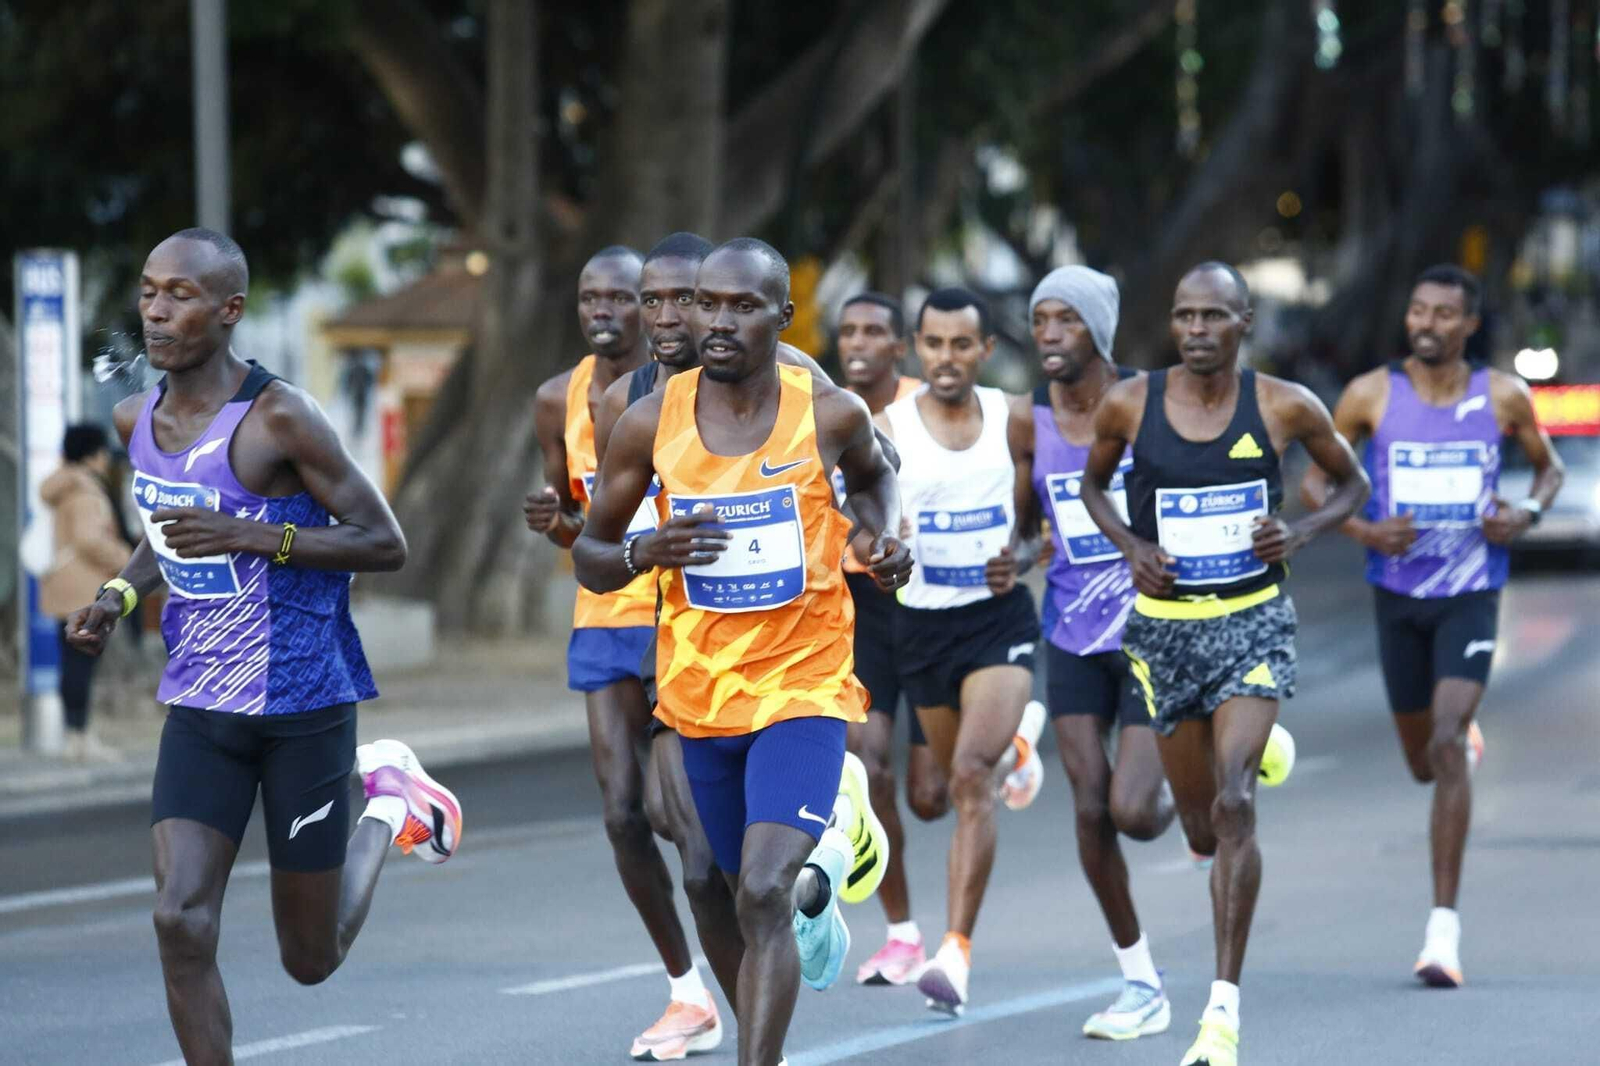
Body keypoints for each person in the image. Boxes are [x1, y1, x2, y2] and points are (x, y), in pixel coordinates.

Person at [63, 229, 461, 1065]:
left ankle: (391, 805)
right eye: (148, 291)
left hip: (303, 705)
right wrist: (119, 594)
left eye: (181, 294)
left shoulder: (281, 417)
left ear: (230, 310)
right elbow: (168, 535)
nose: (158, 310)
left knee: (309, 961)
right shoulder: (138, 418)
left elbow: (383, 542)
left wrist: (252, 534)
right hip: (202, 702)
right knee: (179, 918)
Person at [574, 238, 912, 1066]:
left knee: (761, 890)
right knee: (724, 890)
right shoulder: (648, 419)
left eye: (742, 306)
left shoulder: (825, 410)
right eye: (706, 305)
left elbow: (874, 476)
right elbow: (592, 551)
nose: (717, 322)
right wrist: (643, 556)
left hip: (805, 681)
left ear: (781, 318)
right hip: (698, 694)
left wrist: (885, 534)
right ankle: (829, 861)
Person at [1079, 262, 1368, 1066]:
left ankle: (1221, 1015)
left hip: (1253, 620)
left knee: (1236, 804)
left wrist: (1301, 534)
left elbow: (1352, 482)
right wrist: (1132, 546)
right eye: (1184, 317)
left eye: (1214, 316)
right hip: (1166, 631)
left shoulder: (1283, 405)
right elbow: (1092, 486)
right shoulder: (1130, 403)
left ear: (1245, 322)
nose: (1197, 330)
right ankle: (1255, 746)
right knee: (1201, 822)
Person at [1301, 264, 1563, 989]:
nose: (1427, 323)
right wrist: (1362, 528)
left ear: (1469, 324)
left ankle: (1441, 931)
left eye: (1444, 314)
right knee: (1422, 759)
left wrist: (1526, 515)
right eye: (1418, 310)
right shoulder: (1369, 394)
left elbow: (1548, 471)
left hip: (1473, 590)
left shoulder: (1503, 395)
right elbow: (1315, 481)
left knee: (1445, 744)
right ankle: (1453, 737)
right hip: (1398, 594)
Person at [524, 245, 722, 1059]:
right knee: (622, 812)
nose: (604, 311)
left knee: (692, 831)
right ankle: (686, 990)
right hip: (608, 611)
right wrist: (555, 524)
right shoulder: (559, 400)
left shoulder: (695, 390)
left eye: (621, 298)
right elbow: (585, 527)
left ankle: (777, 893)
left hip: (685, 619)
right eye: (589, 298)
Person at [1000, 265, 1177, 1039]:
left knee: (1139, 813)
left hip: (1154, 628)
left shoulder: (1150, 401)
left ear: (1098, 330)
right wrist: (1016, 551)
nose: (1047, 335)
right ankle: (1140, 979)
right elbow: (1025, 520)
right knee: (1091, 806)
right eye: (1040, 320)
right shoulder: (1026, 421)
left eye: (1065, 320)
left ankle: (1203, 766)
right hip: (1071, 633)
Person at [875, 287, 1048, 1016]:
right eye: (934, 344)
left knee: (971, 777)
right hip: (921, 627)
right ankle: (1018, 749)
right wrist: (886, 546)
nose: (947, 358)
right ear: (917, 348)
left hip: (997, 621)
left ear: (986, 351)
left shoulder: (1014, 418)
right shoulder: (884, 428)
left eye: (961, 345)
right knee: (933, 794)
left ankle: (955, 952)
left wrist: (1027, 554)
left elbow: (1043, 518)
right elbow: (858, 525)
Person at [834, 292, 951, 987]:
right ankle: (902, 933)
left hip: (932, 605)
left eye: (874, 331)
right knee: (868, 764)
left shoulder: (924, 403)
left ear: (899, 345)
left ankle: (1008, 749)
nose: (858, 342)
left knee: (930, 796)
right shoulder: (823, 412)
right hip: (860, 607)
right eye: (848, 330)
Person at [41, 422, 133, 761]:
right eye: (102, 452)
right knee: (82, 665)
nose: (107, 459)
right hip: (83, 586)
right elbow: (88, 539)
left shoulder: (65, 487)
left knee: (72, 665)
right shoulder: (84, 490)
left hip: (62, 585)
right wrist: (127, 557)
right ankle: (80, 739)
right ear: (92, 454)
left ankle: (75, 737)